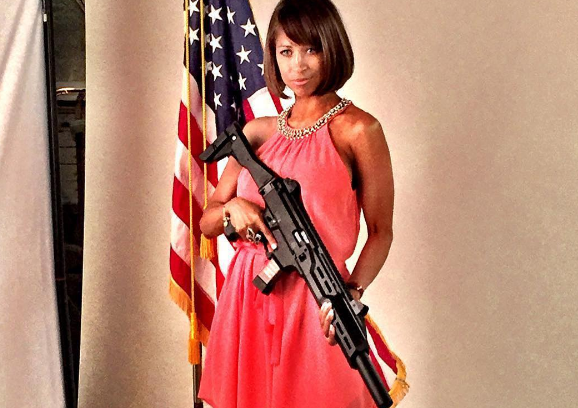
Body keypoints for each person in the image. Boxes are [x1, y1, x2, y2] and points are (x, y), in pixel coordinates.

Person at [197, 0, 394, 406]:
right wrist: (234, 210)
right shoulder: (257, 132)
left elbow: (381, 232)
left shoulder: (359, 130)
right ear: (273, 56)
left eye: (311, 49)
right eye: (286, 51)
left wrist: (351, 294)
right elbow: (208, 221)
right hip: (248, 294)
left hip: (317, 300)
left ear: (332, 49)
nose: (298, 65)